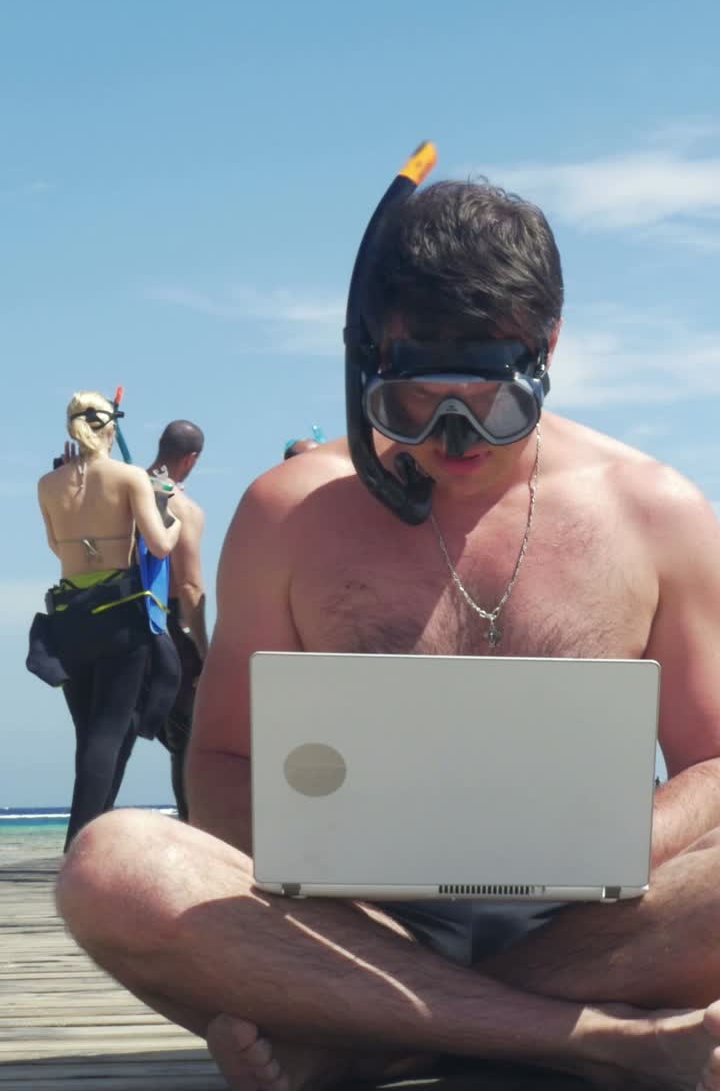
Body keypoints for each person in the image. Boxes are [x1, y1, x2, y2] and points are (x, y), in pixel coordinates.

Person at [56, 179, 720, 1091]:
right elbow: (221, 765)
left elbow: (714, 765)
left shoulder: (659, 512)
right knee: (111, 866)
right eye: (412, 404)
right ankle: (579, 1035)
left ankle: (381, 1030)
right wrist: (326, 882)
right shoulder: (290, 512)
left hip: (597, 926)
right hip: (355, 924)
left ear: (549, 349)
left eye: (491, 405)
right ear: (368, 362)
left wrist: (631, 841)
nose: (454, 440)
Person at [36, 392, 182, 849]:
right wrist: (170, 509)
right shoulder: (129, 476)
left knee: (90, 734)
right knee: (109, 729)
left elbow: (58, 549)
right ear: (111, 429)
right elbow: (159, 545)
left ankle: (93, 833)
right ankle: (80, 843)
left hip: (69, 616)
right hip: (118, 614)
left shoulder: (47, 484)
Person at [148, 420, 207, 821]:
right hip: (169, 624)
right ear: (191, 459)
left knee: (111, 734)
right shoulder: (184, 508)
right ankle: (191, 821)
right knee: (186, 733)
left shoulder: (125, 488)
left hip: (121, 618)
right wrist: (205, 649)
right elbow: (188, 585)